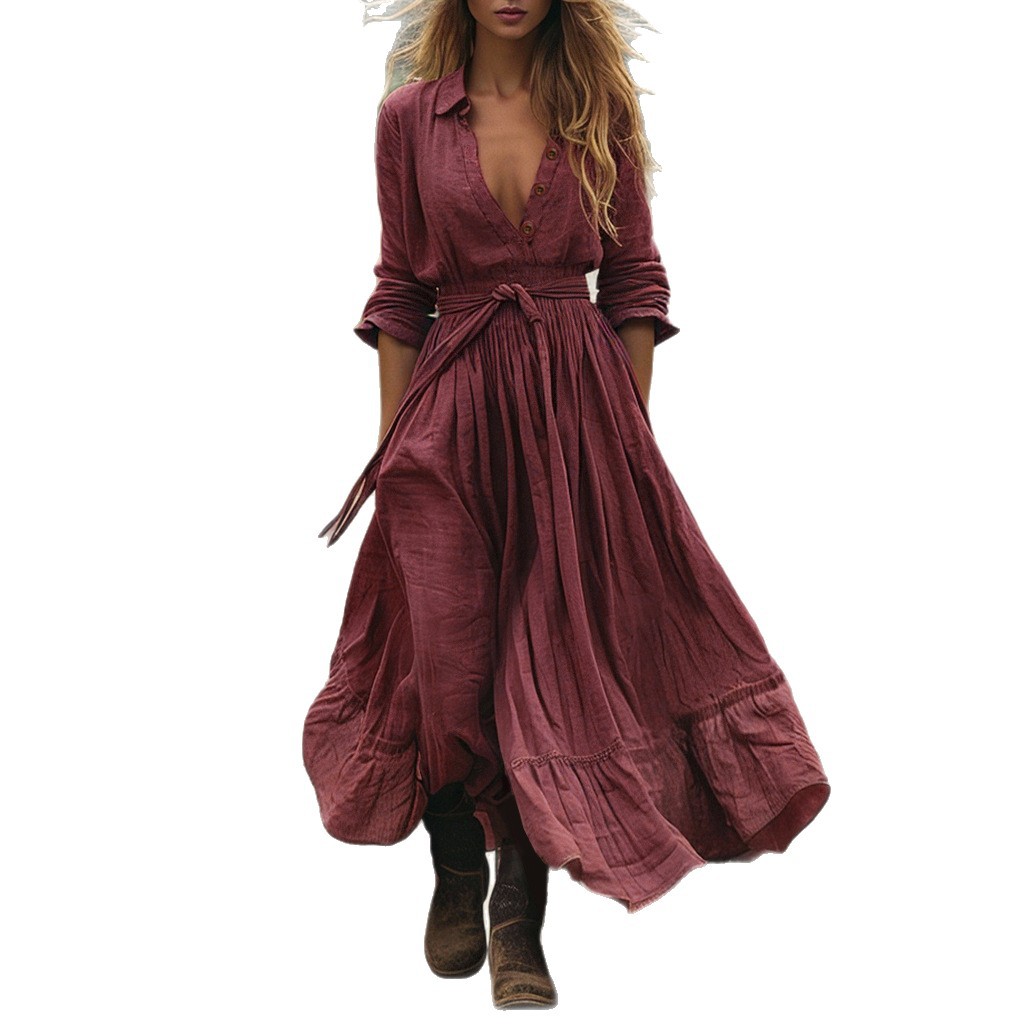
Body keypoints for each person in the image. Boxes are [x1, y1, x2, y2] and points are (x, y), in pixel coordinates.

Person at [303, 0, 831, 1010]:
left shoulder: (601, 107)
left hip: (576, 420)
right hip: (450, 412)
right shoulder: (406, 118)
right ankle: (455, 851)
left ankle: (517, 913)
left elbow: (632, 278)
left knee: (543, 661)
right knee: (449, 655)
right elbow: (400, 291)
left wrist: (621, 444)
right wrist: (392, 447)